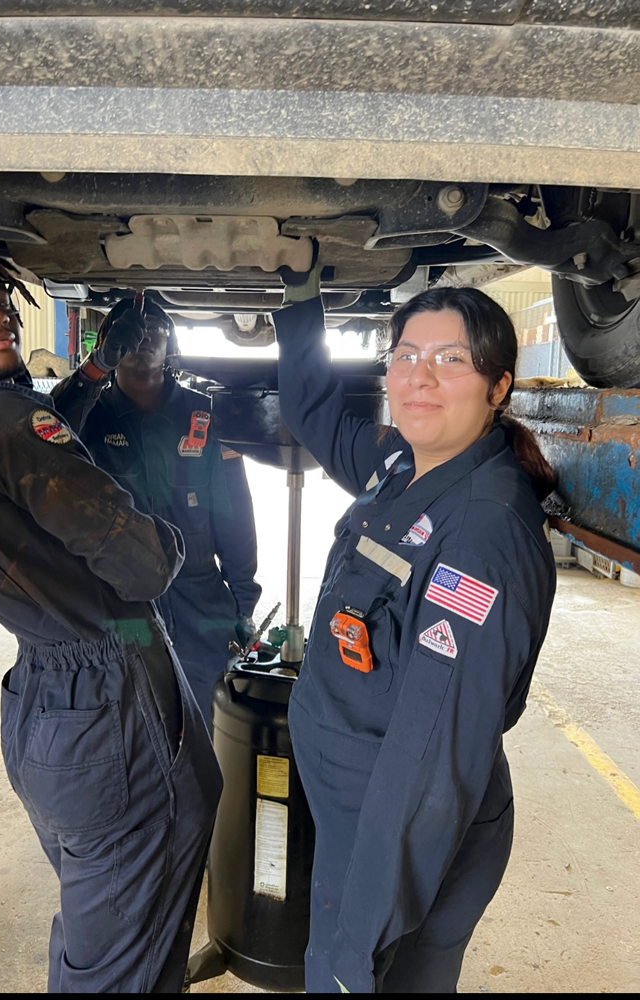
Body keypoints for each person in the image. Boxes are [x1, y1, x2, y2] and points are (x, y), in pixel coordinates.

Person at [0, 237, 222, 994]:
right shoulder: (6, 429)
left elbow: (18, 446)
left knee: (121, 916)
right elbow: (145, 568)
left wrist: (93, 372)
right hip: (103, 690)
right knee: (115, 954)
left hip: (68, 677)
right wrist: (165, 528)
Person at [274, 261, 557, 993]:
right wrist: (302, 299)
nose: (419, 377)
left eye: (450, 360)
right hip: (361, 813)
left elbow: (432, 760)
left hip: (400, 832)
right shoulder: (403, 463)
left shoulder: (479, 539)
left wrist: (353, 948)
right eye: (405, 356)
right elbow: (313, 418)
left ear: (498, 388)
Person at [52, 294, 261, 727]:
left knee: (210, 721)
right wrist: (96, 365)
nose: (144, 340)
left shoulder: (204, 414)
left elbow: (234, 509)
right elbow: (44, 430)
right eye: (130, 334)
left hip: (199, 594)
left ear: (171, 346)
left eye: (156, 332)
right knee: (131, 719)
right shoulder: (90, 415)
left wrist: (242, 600)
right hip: (119, 596)